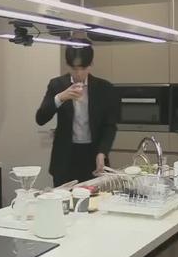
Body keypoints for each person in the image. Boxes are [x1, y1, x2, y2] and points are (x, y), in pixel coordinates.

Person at [35, 42, 118, 186]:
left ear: (91, 64)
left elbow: (110, 126)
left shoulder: (104, 88)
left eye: (83, 68)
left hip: (93, 156)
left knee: (96, 197)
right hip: (65, 158)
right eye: (74, 69)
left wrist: (102, 152)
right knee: (63, 198)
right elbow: (40, 119)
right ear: (68, 65)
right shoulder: (57, 85)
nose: (78, 74)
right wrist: (60, 98)